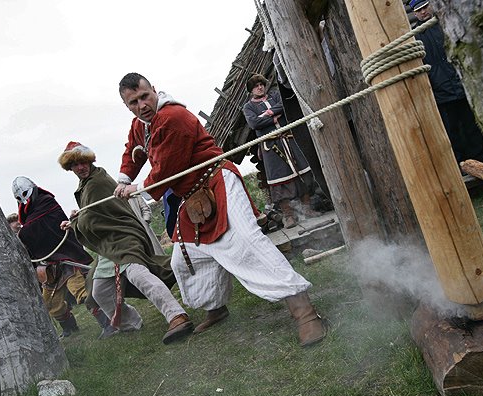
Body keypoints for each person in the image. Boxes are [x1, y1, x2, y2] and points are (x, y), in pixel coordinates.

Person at [114, 72, 325, 347]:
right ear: (127, 105)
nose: (141, 105)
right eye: (133, 102)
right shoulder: (140, 125)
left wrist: (138, 187)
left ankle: (304, 311)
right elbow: (134, 150)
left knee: (249, 242)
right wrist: (123, 179)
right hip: (191, 198)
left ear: (154, 90)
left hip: (217, 181)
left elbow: (167, 169)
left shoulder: (173, 117)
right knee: (185, 257)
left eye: (144, 96)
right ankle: (216, 307)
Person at [58, 142, 193, 344]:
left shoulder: (97, 182)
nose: (80, 167)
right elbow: (92, 215)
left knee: (138, 274)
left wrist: (77, 222)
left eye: (83, 162)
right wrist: (76, 220)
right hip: (109, 244)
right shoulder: (85, 184)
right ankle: (130, 324)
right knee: (101, 291)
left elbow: (91, 220)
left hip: (123, 238)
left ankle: (176, 315)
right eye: (75, 165)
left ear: (89, 161)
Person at [12, 176, 113, 339]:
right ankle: (70, 328)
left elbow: (33, 228)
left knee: (83, 292)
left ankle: (108, 323)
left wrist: (21, 236)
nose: (24, 199)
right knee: (51, 303)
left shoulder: (47, 202)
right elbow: (32, 229)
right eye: (19, 197)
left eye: (25, 193)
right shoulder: (31, 214)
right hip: (50, 265)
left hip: (67, 257)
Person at [411, 0, 483, 166]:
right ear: (414, 13)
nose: (423, 12)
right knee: (451, 131)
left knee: (471, 124)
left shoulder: (446, 24)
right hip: (439, 90)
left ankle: (480, 155)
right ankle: (459, 162)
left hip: (461, 85)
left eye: (425, 7)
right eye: (418, 10)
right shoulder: (415, 36)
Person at [242, 74, 321, 228]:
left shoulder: (275, 95)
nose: (260, 87)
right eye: (256, 86)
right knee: (279, 179)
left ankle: (307, 208)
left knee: (302, 172)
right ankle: (288, 215)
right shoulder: (248, 107)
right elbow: (254, 123)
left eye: (261, 84)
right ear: (251, 90)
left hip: (290, 139)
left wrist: (267, 113)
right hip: (271, 147)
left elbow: (284, 107)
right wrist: (274, 118)